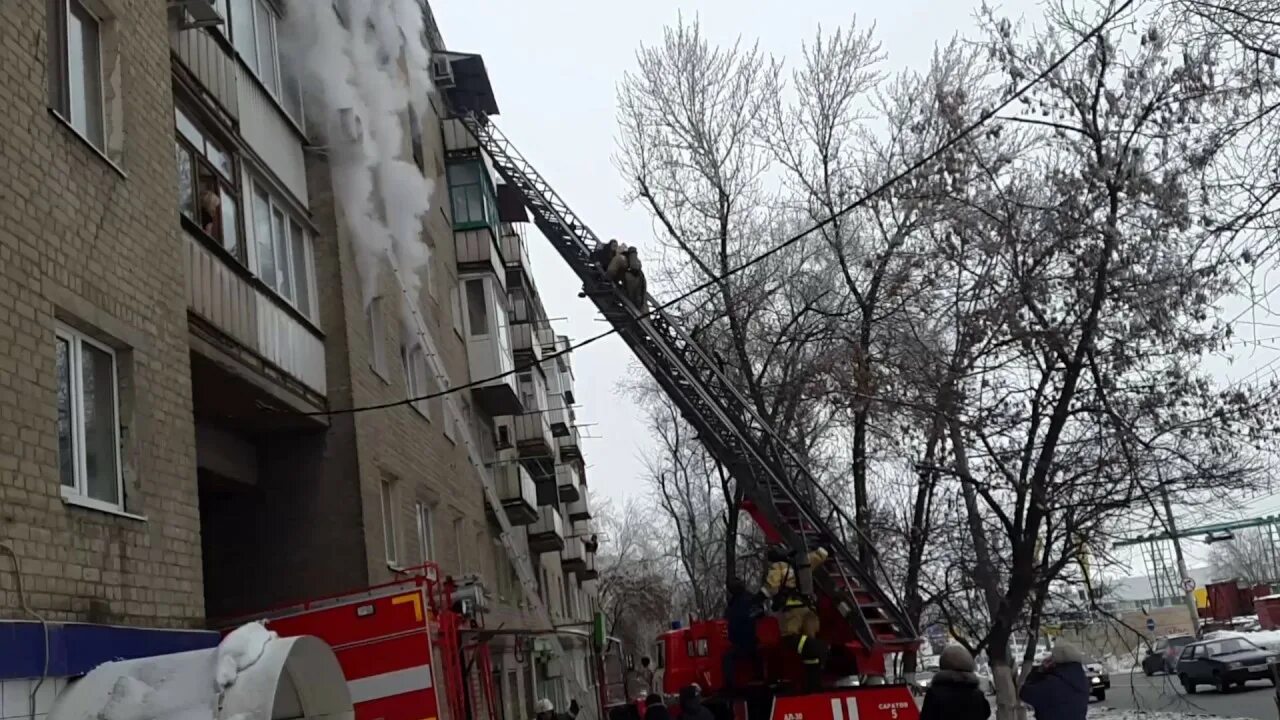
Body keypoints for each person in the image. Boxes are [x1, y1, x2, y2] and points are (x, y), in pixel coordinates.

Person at [761, 547, 830, 690]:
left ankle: (819, 647)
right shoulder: (803, 562)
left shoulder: (778, 567)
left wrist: (756, 599)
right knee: (809, 651)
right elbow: (821, 555)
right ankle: (814, 681)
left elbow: (771, 589)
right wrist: (823, 546)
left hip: (792, 613)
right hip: (810, 611)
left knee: (789, 638)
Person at [1020, 640, 1090, 720]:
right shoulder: (1082, 681)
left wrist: (1040, 671)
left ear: (1056, 660)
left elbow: (1025, 693)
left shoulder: (1051, 684)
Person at [919, 645, 990, 720]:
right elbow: (986, 713)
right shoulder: (977, 694)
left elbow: (926, 717)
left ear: (943, 664)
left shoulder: (934, 694)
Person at [722, 577, 761, 690]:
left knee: (727, 657)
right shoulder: (745, 600)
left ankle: (730, 686)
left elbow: (731, 621)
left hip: (746, 641)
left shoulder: (738, 603)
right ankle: (756, 677)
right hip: (746, 640)